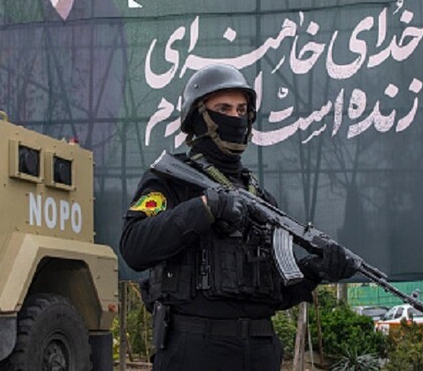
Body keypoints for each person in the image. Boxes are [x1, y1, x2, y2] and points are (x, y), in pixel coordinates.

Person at [120, 63, 360, 371]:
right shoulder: (171, 180)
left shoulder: (261, 198)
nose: (235, 117)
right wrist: (205, 208)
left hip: (260, 350)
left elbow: (273, 292)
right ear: (198, 116)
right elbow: (134, 247)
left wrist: (314, 272)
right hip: (194, 350)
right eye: (223, 108)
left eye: (242, 110)